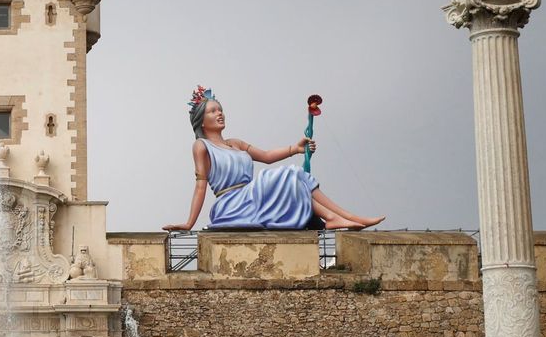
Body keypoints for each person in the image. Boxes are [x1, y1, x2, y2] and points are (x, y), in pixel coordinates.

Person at [162, 86, 382, 232]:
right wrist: (189, 223)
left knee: (297, 175)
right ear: (201, 121)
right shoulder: (201, 146)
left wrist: (295, 148)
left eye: (220, 109)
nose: (219, 113)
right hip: (233, 204)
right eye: (212, 111)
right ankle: (338, 218)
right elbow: (200, 186)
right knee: (292, 173)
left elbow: (266, 157)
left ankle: (346, 216)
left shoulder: (235, 143)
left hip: (254, 196)